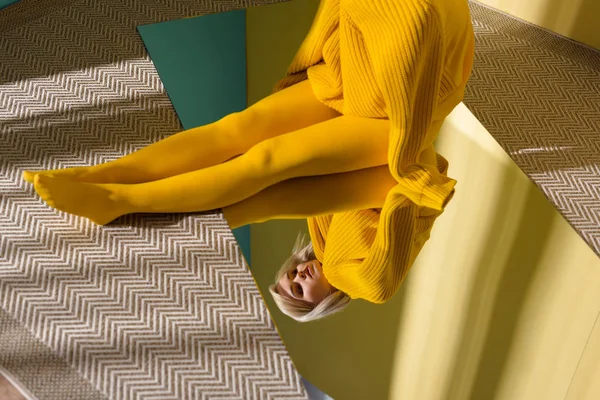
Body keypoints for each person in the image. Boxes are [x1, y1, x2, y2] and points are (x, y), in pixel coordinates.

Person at [23, 0, 475, 322]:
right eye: (300, 288)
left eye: (289, 280)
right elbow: (385, 267)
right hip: (387, 158)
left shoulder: (334, 259)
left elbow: (367, 270)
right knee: (246, 145)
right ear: (323, 303)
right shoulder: (356, 281)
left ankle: (113, 191)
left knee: (256, 158)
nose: (298, 274)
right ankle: (109, 184)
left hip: (375, 164)